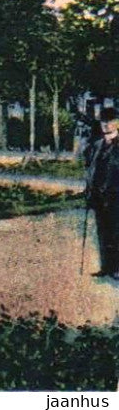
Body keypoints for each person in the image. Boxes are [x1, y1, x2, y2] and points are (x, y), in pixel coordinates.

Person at [85, 106, 119, 280]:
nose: (106, 124)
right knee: (103, 231)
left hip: (116, 196)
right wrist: (89, 190)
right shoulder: (96, 145)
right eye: (103, 121)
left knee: (116, 232)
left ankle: (117, 268)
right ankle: (106, 266)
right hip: (99, 196)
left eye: (110, 121)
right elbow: (91, 169)